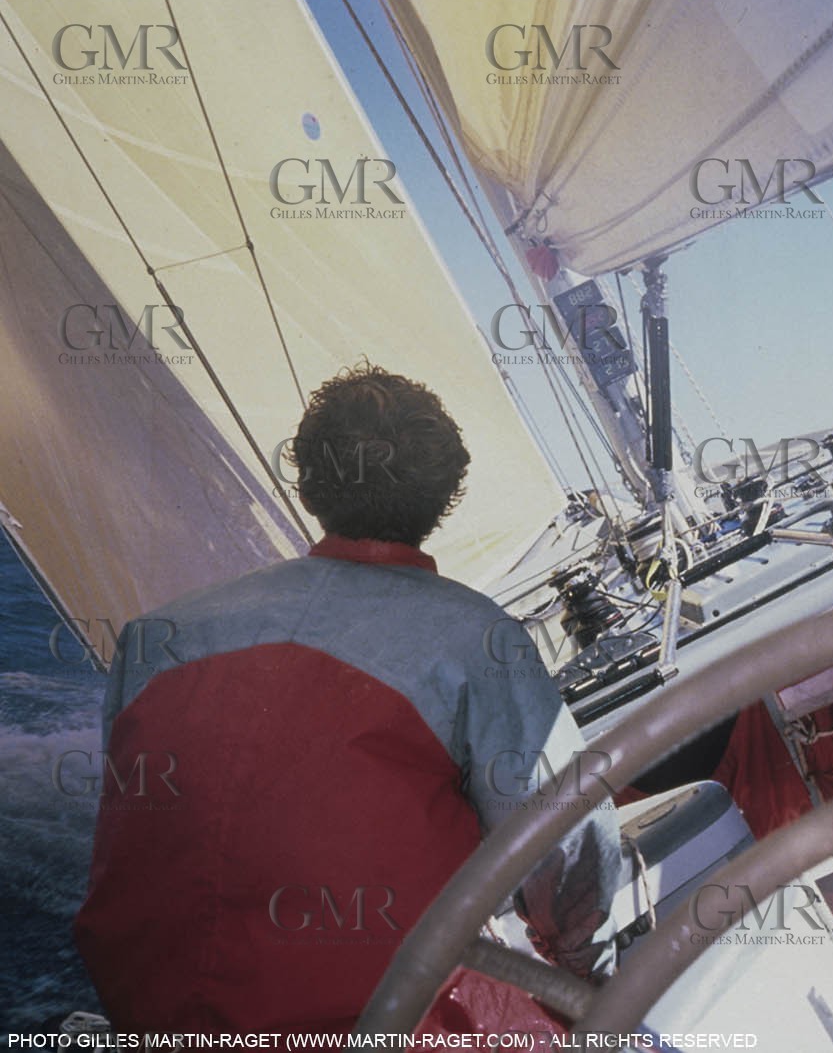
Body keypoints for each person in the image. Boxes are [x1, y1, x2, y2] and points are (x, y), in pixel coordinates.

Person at [74, 365, 620, 1032]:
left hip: (154, 1019)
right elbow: (563, 835)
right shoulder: (477, 639)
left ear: (308, 487)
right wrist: (583, 970)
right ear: (445, 495)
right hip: (382, 1025)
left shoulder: (152, 638)